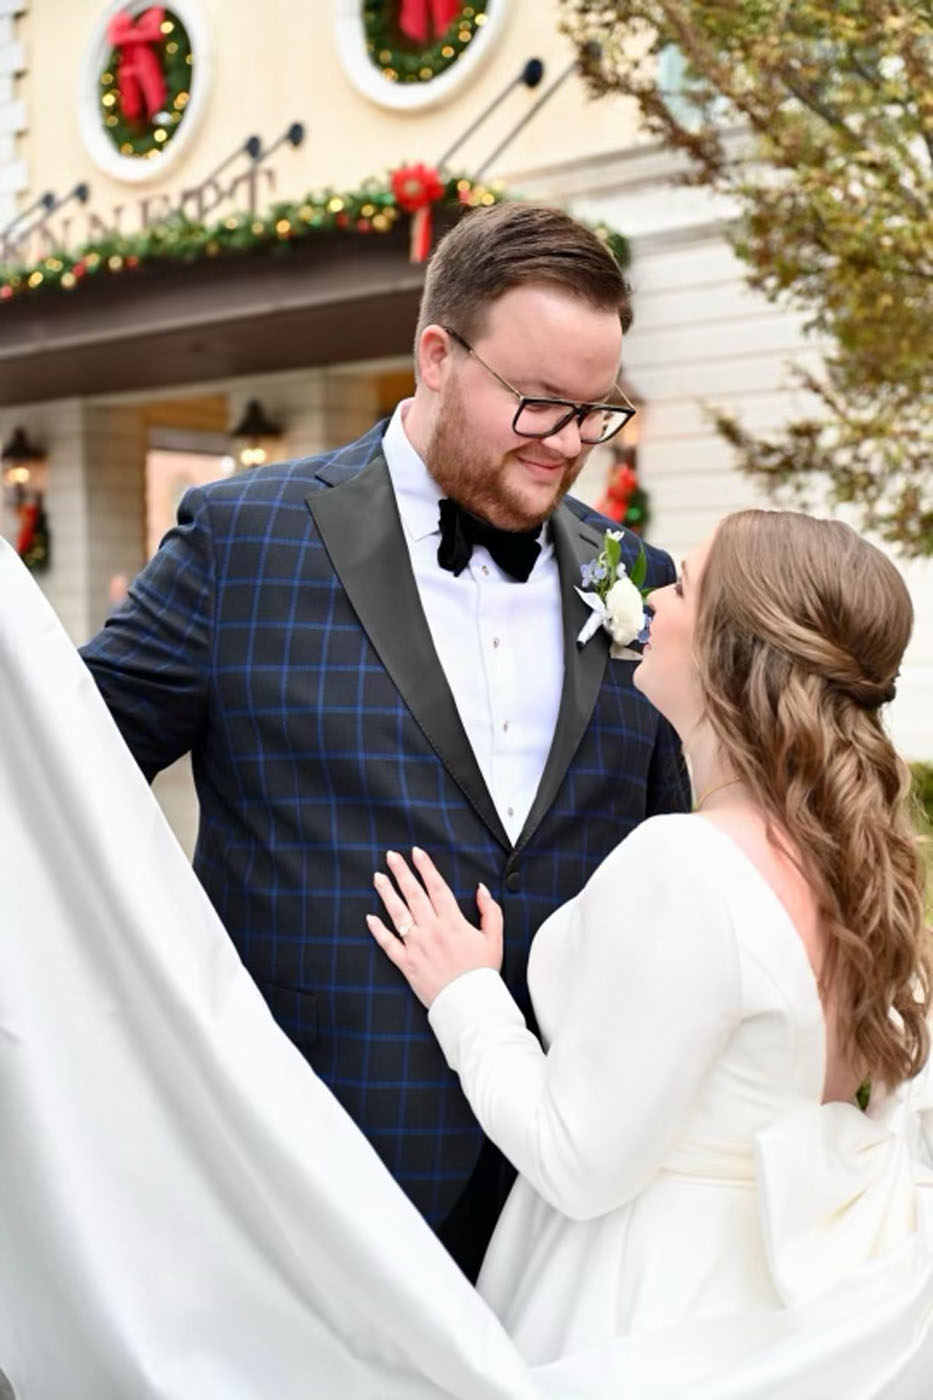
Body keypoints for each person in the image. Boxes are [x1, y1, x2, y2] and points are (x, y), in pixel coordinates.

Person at [79, 201, 688, 1275]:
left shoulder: (635, 582)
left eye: (597, 413)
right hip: (305, 1170)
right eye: (540, 403)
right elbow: (67, 776)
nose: (568, 448)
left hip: (563, 1200)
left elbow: (672, 855)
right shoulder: (243, 540)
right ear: (438, 355)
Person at [367, 509, 933, 1394]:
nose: (652, 600)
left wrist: (467, 996)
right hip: (773, 1295)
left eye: (682, 587)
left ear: (730, 653)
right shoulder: (845, 863)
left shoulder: (689, 863)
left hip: (647, 1305)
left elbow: (577, 1159)